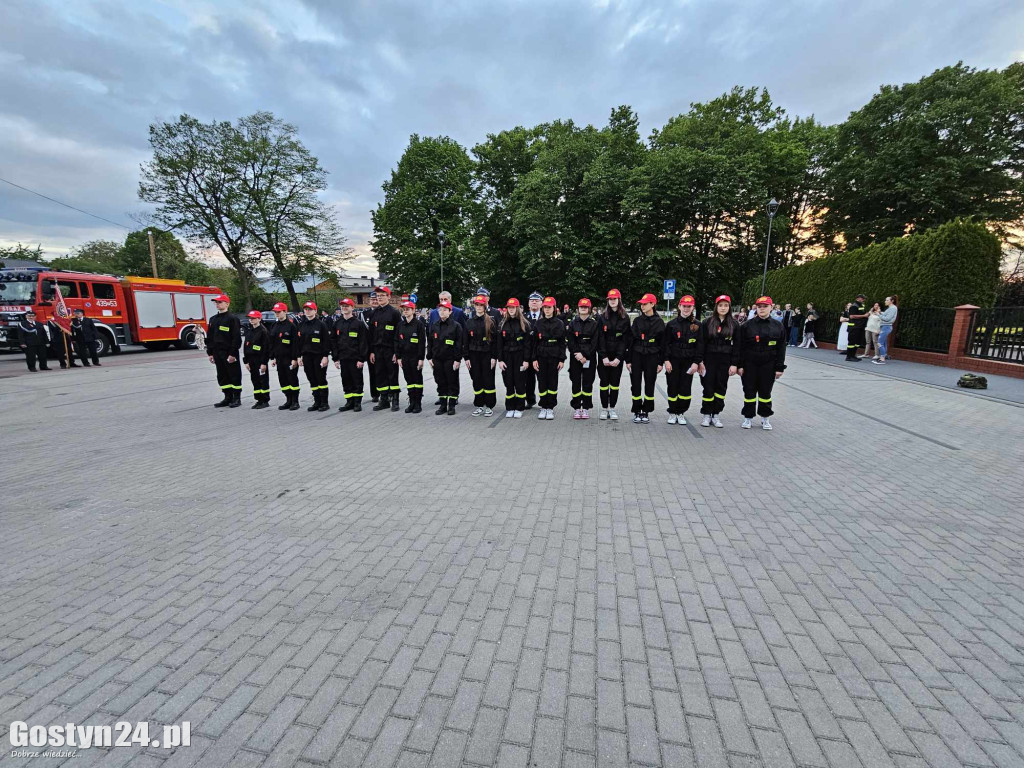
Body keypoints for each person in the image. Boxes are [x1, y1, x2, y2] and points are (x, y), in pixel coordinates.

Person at [737, 296, 786, 430]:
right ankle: (748, 417)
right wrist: (740, 365)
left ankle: (765, 417)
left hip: (769, 364)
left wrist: (780, 367)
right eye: (759, 307)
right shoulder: (747, 326)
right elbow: (740, 347)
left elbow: (781, 348)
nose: (762, 309)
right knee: (749, 392)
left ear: (771, 307)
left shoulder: (778, 326)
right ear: (756, 308)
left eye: (765, 306)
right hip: (750, 364)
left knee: (765, 392)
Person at [700, 295, 738, 428]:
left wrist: (734, 364)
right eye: (720, 305)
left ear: (729, 307)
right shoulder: (707, 322)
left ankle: (716, 414)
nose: (723, 308)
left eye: (726, 305)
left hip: (725, 360)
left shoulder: (734, 324)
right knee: (708, 386)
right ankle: (706, 414)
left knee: (721, 387)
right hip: (709, 360)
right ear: (716, 307)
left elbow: (737, 346)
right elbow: (701, 343)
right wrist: (700, 361)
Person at [664, 295, 703, 425]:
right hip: (673, 361)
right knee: (672, 386)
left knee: (685, 388)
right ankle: (672, 412)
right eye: (684, 306)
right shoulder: (671, 324)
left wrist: (696, 362)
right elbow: (666, 344)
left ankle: (681, 413)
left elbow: (700, 346)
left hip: (689, 362)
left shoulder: (697, 325)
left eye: (689, 306)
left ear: (693, 308)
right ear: (679, 306)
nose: (686, 309)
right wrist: (666, 360)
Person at [628, 293, 666, 424]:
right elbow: (631, 341)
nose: (642, 306)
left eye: (645, 304)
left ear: (652, 304)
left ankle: (646, 411)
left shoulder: (659, 322)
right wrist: (628, 360)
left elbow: (663, 344)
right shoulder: (637, 321)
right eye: (641, 304)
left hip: (652, 355)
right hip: (637, 355)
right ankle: (637, 410)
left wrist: (660, 362)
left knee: (650, 384)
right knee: (635, 384)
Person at [596, 288, 630, 421]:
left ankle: (612, 408)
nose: (612, 301)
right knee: (604, 383)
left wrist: (619, 358)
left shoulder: (625, 317)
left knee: (615, 383)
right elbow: (600, 338)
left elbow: (625, 339)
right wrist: (603, 356)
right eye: (610, 299)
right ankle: (604, 408)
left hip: (617, 356)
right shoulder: (602, 317)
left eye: (614, 299)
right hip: (604, 356)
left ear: (619, 300)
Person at [428, 300, 465, 415]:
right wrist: (429, 357)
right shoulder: (434, 325)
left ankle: (452, 405)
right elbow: (430, 343)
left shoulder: (456, 326)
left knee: (452, 381)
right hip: (437, 359)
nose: (442, 312)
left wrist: (457, 360)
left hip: (451, 359)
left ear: (450, 312)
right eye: (440, 310)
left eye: (445, 310)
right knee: (440, 381)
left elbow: (459, 344)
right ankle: (443, 405)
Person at [497, 297, 532, 418]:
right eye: (509, 308)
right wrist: (500, 360)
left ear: (517, 308)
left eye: (513, 307)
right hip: (507, 357)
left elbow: (528, 344)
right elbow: (499, 344)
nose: (511, 310)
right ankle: (510, 407)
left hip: (520, 357)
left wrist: (526, 360)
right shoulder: (502, 324)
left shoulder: (525, 324)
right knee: (509, 382)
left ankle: (519, 407)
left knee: (520, 382)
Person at [332, 298, 369, 411]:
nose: (344, 308)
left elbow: (363, 342)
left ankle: (357, 402)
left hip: (355, 358)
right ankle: (349, 401)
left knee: (357, 380)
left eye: (347, 306)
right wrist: (335, 358)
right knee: (346, 380)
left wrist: (361, 359)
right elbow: (333, 341)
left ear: (352, 308)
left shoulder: (358, 324)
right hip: (343, 358)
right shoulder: (337, 323)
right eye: (342, 306)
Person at [368, 285, 401, 411]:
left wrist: (397, 352)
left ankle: (395, 400)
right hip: (377, 350)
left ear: (389, 297)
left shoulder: (394, 313)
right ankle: (384, 399)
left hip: (390, 350)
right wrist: (371, 351)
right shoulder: (374, 313)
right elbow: (371, 334)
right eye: (378, 296)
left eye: (382, 295)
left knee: (392, 374)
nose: (379, 298)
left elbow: (399, 334)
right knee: (380, 374)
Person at [206, 294, 242, 408]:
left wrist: (232, 353)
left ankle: (236, 398)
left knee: (234, 375)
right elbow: (209, 337)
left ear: (227, 304)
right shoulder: (213, 319)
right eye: (216, 302)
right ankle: (227, 397)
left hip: (229, 352)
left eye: (220, 302)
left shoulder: (232, 319)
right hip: (217, 352)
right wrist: (210, 353)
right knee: (222, 375)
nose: (217, 304)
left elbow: (236, 338)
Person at [532, 296, 566, 420]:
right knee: (542, 382)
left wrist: (562, 359)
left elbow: (562, 343)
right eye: (545, 307)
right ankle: (543, 406)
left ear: (554, 308)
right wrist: (534, 359)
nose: (547, 309)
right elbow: (534, 343)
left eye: (549, 307)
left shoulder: (559, 323)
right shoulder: (538, 323)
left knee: (552, 382)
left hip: (554, 356)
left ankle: (550, 407)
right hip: (541, 356)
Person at [465, 295, 499, 416]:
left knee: (488, 380)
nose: (478, 307)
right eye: (477, 305)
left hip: (487, 354)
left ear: (485, 306)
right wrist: (466, 358)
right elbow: (466, 341)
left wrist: (494, 357)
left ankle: (489, 405)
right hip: (473, 354)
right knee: (477, 379)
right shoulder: (469, 322)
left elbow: (495, 341)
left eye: (481, 305)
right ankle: (479, 404)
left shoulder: (491, 321)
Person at [295, 300, 331, 411]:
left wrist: (325, 356)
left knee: (321, 379)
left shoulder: (321, 324)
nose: (307, 311)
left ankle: (324, 402)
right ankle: (317, 401)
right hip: (307, 356)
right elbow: (298, 342)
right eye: (306, 309)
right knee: (312, 379)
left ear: (315, 311)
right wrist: (299, 356)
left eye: (310, 309)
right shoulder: (301, 325)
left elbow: (326, 342)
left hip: (319, 356)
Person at [567, 297, 599, 419]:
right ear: (578, 309)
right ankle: (576, 408)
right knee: (575, 382)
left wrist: (585, 355)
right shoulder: (573, 323)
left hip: (589, 358)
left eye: (586, 307)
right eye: (581, 307)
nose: (583, 308)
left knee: (587, 383)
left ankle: (585, 407)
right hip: (575, 358)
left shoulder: (594, 324)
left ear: (589, 309)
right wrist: (578, 354)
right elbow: (571, 341)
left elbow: (595, 343)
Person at [396, 299, 427, 413]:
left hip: (415, 357)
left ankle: (418, 403)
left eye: (408, 309)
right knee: (409, 380)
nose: (405, 311)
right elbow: (396, 341)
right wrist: (398, 357)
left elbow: (422, 343)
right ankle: (412, 402)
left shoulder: (419, 325)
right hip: (404, 357)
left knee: (417, 380)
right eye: (404, 309)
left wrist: (421, 358)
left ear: (413, 310)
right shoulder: (400, 325)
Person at [269, 302, 301, 410]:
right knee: (283, 380)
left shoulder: (291, 326)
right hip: (279, 358)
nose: (277, 314)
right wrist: (272, 357)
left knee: (292, 379)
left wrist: (294, 358)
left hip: (289, 358)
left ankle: (295, 401)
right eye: (275, 312)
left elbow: (295, 344)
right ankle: (288, 400)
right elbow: (272, 343)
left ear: (285, 312)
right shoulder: (274, 325)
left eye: (279, 312)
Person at [243, 310, 271, 409]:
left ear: (259, 319)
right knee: (255, 380)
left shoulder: (263, 331)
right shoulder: (249, 331)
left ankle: (265, 400)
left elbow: (266, 348)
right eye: (250, 318)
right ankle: (259, 400)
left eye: (253, 318)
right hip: (251, 360)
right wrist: (246, 361)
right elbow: (246, 347)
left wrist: (264, 363)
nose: (251, 320)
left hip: (260, 359)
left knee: (263, 380)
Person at [523, 292, 544, 408]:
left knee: (542, 378)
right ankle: (530, 400)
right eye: (532, 301)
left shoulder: (545, 316)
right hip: (527, 353)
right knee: (528, 379)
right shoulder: (523, 317)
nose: (534, 302)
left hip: (541, 353)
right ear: (528, 304)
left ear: (541, 303)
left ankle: (544, 401)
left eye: (537, 300)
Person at [874, 295, 899, 364]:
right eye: (886, 300)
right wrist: (880, 312)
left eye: (887, 300)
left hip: (886, 326)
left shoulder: (893, 308)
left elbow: (887, 318)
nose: (885, 301)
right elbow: (885, 314)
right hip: (885, 326)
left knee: (880, 342)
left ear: (892, 301)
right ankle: (883, 356)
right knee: (884, 343)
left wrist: (878, 314)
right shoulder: (890, 308)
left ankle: (882, 358)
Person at [845, 294, 868, 361]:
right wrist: (864, 316)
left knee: (857, 343)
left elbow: (863, 314)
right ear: (858, 298)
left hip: (859, 327)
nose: (864, 300)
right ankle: (849, 357)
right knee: (852, 342)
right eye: (862, 298)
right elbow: (851, 316)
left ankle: (853, 355)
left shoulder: (862, 306)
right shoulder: (854, 306)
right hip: (854, 327)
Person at [364, 291, 379, 402]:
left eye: (376, 299)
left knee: (385, 372)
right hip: (369, 349)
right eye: (372, 299)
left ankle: (387, 393)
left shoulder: (384, 312)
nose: (374, 301)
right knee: (372, 372)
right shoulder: (363, 314)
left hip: (383, 347)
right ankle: (375, 394)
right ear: (369, 301)